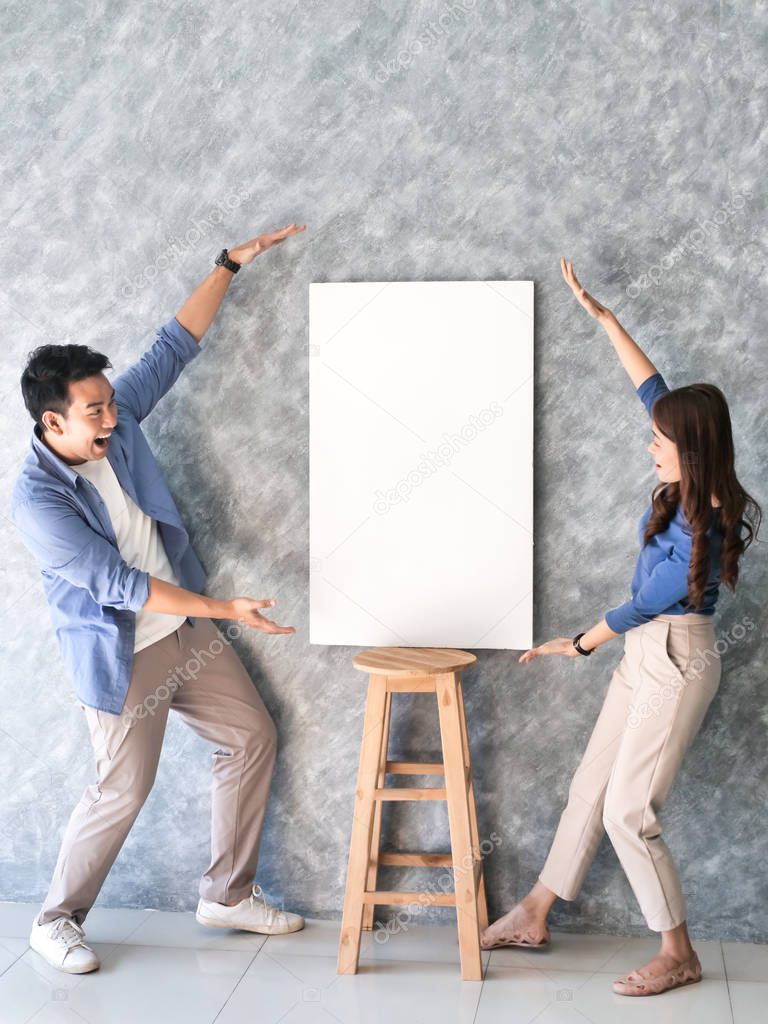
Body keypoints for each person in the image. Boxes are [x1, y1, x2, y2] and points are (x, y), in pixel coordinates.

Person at [10, 223, 307, 975]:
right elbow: (117, 584)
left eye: (112, 404)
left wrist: (227, 266)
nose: (112, 418)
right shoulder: (38, 500)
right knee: (122, 791)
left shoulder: (122, 421)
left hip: (184, 631)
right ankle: (56, 920)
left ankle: (227, 893)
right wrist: (227, 610)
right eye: (94, 412)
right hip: (123, 655)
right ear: (54, 423)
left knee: (251, 737)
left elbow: (173, 345)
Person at [480, 258, 762, 997]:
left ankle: (679, 951)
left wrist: (572, 645)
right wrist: (604, 319)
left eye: (660, 442)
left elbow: (646, 605)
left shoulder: (712, 524)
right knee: (590, 787)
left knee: (628, 812)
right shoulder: (686, 471)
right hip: (644, 652)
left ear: (691, 451)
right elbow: (653, 388)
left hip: (676, 659)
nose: (650, 444)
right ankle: (536, 912)